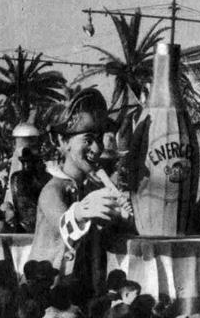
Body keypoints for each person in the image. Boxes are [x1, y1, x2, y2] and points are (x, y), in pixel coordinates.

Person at [28, 89, 130, 283]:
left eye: (99, 139)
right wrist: (80, 212)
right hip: (46, 288)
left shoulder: (93, 187)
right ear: (63, 141)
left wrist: (120, 215)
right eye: (88, 140)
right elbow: (63, 224)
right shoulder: (52, 190)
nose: (97, 148)